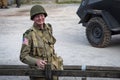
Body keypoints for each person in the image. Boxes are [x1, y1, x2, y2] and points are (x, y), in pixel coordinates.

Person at [20, 5, 63, 80]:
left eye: (42, 15)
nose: (40, 18)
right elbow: (23, 56)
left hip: (53, 68)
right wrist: (36, 61)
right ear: (33, 18)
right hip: (39, 72)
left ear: (44, 16)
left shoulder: (49, 28)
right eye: (37, 16)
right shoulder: (28, 35)